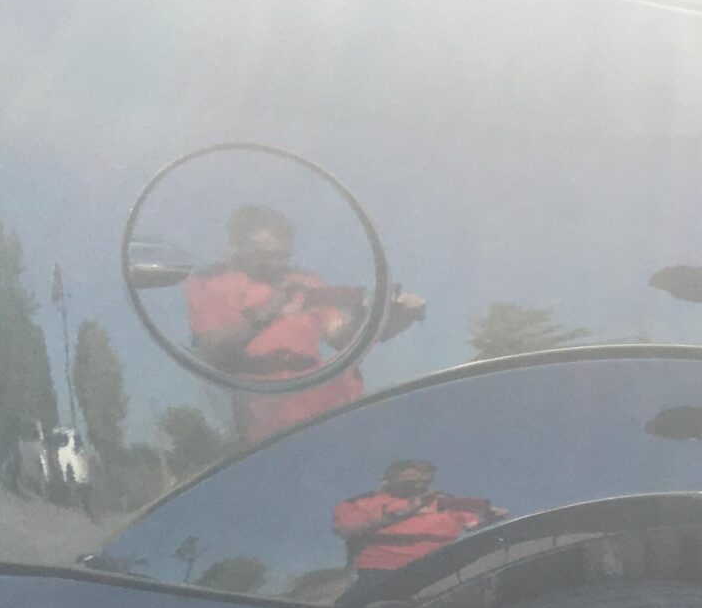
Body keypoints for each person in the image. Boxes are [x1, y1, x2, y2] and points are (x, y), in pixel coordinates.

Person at [184, 204, 423, 445]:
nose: (276, 264)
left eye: (282, 255)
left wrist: (392, 318)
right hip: (275, 433)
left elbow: (341, 336)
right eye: (265, 256)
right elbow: (210, 350)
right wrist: (268, 311)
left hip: (344, 414)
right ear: (238, 246)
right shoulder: (211, 283)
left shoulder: (303, 282)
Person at [331, 459, 503, 573]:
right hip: (383, 574)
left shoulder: (441, 501)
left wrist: (490, 519)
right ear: (386, 480)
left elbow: (472, 526)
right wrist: (405, 512)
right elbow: (345, 530)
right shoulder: (360, 502)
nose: (419, 486)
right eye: (411, 483)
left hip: (445, 569)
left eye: (425, 482)